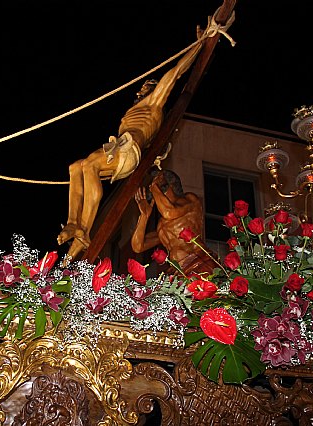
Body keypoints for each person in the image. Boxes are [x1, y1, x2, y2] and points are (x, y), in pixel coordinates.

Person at [57, 25, 207, 264]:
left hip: (129, 149)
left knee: (90, 167)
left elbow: (176, 73)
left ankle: (83, 230)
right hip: (121, 148)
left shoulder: (154, 105)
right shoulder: (134, 111)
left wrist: (199, 46)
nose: (142, 90)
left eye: (147, 87)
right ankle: (75, 223)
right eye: (142, 88)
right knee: (76, 167)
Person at [131, 169, 218, 276]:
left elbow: (169, 212)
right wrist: (144, 216)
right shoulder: (162, 225)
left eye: (157, 181)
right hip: (177, 272)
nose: (152, 186)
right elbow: (137, 246)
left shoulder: (190, 200)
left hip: (199, 264)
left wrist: (154, 187)